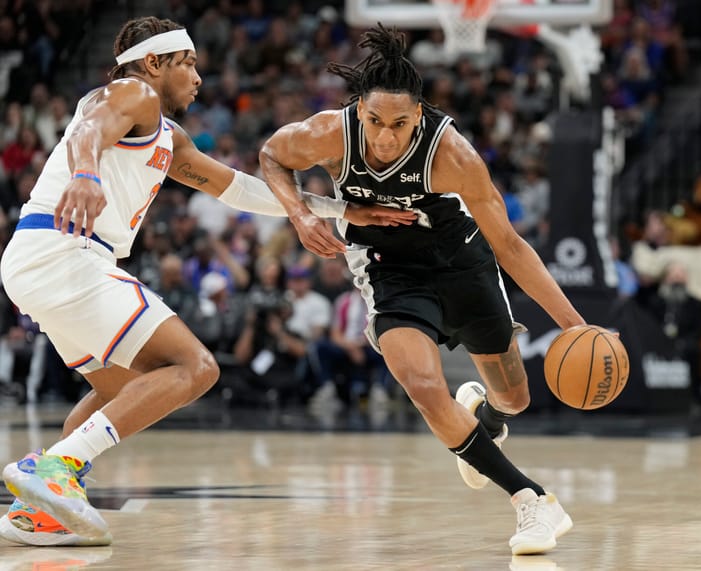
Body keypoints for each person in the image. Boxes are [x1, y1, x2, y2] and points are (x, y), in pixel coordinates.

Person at [0, 16, 415, 548]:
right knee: (195, 367)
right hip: (64, 252)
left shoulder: (167, 136)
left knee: (125, 391)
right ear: (154, 64)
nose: (198, 77)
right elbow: (87, 130)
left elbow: (238, 189)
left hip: (47, 259)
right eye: (188, 63)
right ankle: (54, 467)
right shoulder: (132, 93)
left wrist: (339, 210)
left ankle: (38, 508)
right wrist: (84, 175)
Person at [259, 24, 586, 555]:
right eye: (375, 122)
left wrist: (575, 324)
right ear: (358, 110)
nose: (386, 137)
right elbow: (271, 156)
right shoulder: (328, 134)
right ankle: (533, 500)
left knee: (515, 398)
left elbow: (509, 244)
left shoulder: (452, 154)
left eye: (400, 124)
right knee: (421, 383)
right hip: (390, 269)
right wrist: (299, 213)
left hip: (461, 261)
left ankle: (486, 419)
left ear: (420, 118)